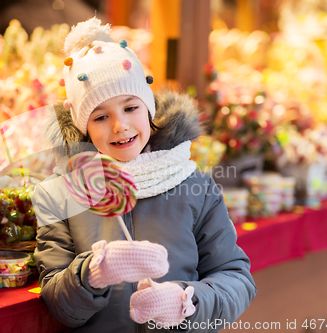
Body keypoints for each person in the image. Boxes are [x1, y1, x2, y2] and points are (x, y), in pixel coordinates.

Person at [32, 17, 256, 333]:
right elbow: (58, 303)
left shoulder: (196, 186)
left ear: (148, 108)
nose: (119, 125)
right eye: (100, 116)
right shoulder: (58, 194)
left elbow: (235, 278)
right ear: (83, 125)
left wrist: (186, 302)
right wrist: (91, 274)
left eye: (130, 107)